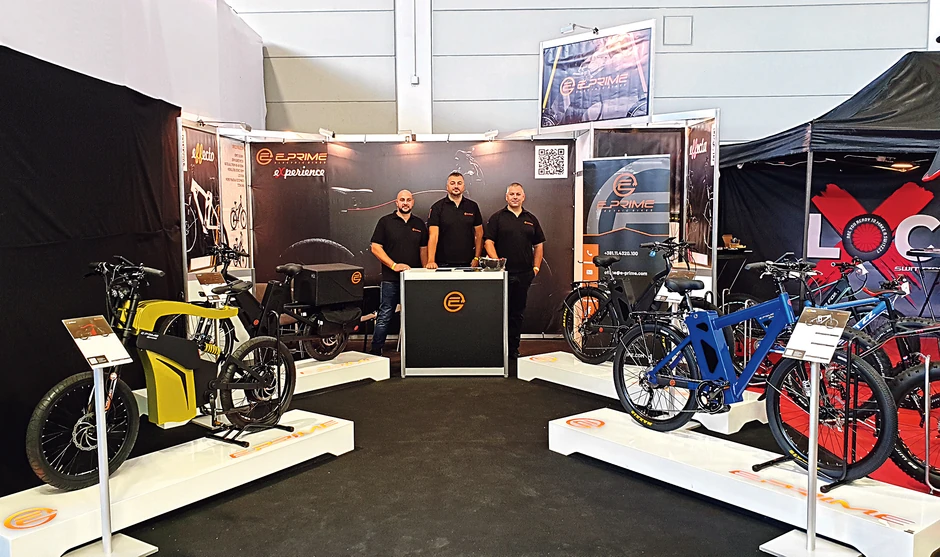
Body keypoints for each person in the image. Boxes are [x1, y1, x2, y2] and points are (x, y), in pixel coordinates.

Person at [484, 183, 545, 358]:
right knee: (499, 313)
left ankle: (513, 350)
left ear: (523, 197)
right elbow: (488, 242)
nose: (515, 197)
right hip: (503, 275)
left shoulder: (531, 219)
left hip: (524, 274)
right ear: (506, 197)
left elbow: (539, 245)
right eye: (512, 194)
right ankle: (497, 350)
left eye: (518, 194)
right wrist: (498, 264)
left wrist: (535, 268)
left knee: (517, 314)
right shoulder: (497, 218)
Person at [369, 190, 428, 355]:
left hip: (413, 280)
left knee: (416, 315)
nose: (405, 203)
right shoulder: (385, 222)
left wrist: (425, 272)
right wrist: (394, 265)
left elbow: (423, 249)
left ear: (413, 202)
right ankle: (376, 351)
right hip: (391, 279)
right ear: (396, 202)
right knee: (385, 314)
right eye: (402, 200)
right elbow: (375, 247)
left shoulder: (419, 224)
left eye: (408, 200)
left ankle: (417, 352)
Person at [425, 172, 483, 268]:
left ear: (464, 186)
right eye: (452, 183)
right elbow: (433, 235)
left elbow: (479, 234)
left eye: (459, 183)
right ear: (447, 186)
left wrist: (477, 258)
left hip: (469, 263)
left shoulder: (473, 206)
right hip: (443, 263)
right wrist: (431, 260)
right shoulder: (437, 207)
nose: (456, 186)